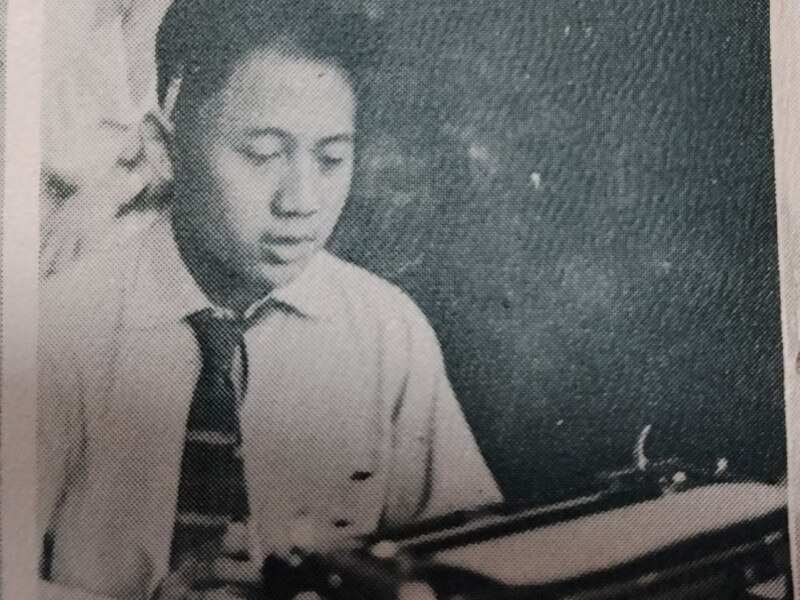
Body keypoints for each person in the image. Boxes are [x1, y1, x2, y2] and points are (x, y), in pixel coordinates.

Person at [38, 1, 502, 599]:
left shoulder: (387, 331)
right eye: (262, 154)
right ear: (162, 146)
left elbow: (475, 549)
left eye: (332, 158)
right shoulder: (61, 327)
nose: (302, 200)